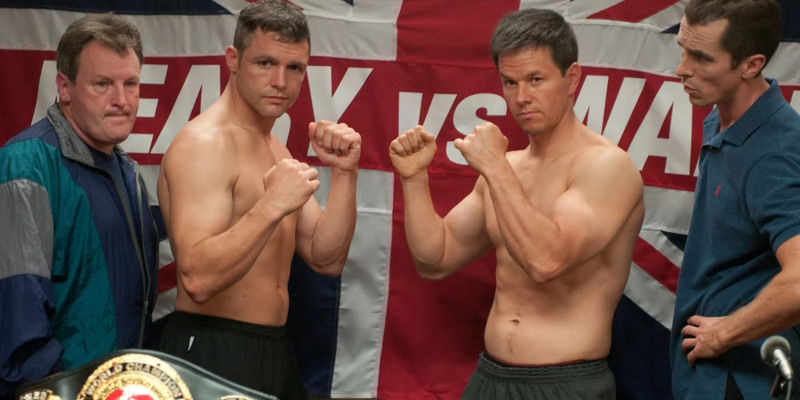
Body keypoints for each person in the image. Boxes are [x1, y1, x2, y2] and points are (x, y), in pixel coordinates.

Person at [389, 8, 644, 400]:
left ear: (572, 78)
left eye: (536, 80)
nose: (521, 97)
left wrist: (494, 167)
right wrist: (414, 178)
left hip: (566, 383)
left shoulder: (607, 167)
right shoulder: (507, 169)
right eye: (510, 82)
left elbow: (546, 261)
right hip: (490, 377)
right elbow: (434, 259)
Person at [156, 1, 360, 399]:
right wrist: (270, 205)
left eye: (294, 67)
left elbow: (326, 258)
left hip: (272, 347)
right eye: (265, 63)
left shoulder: (275, 149)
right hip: (213, 347)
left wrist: (346, 173)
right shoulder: (207, 143)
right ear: (233, 59)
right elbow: (198, 279)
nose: (280, 81)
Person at [0, 13, 161, 398]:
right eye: (102, 84)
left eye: (131, 84)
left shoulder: (125, 169)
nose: (121, 100)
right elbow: (18, 319)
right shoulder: (27, 164)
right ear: (65, 87)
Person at [670, 1, 800, 399]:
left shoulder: (772, 154)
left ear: (751, 64)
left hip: (740, 379)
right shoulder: (725, 115)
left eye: (701, 57)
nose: (681, 69)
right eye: (682, 49)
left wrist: (724, 332)